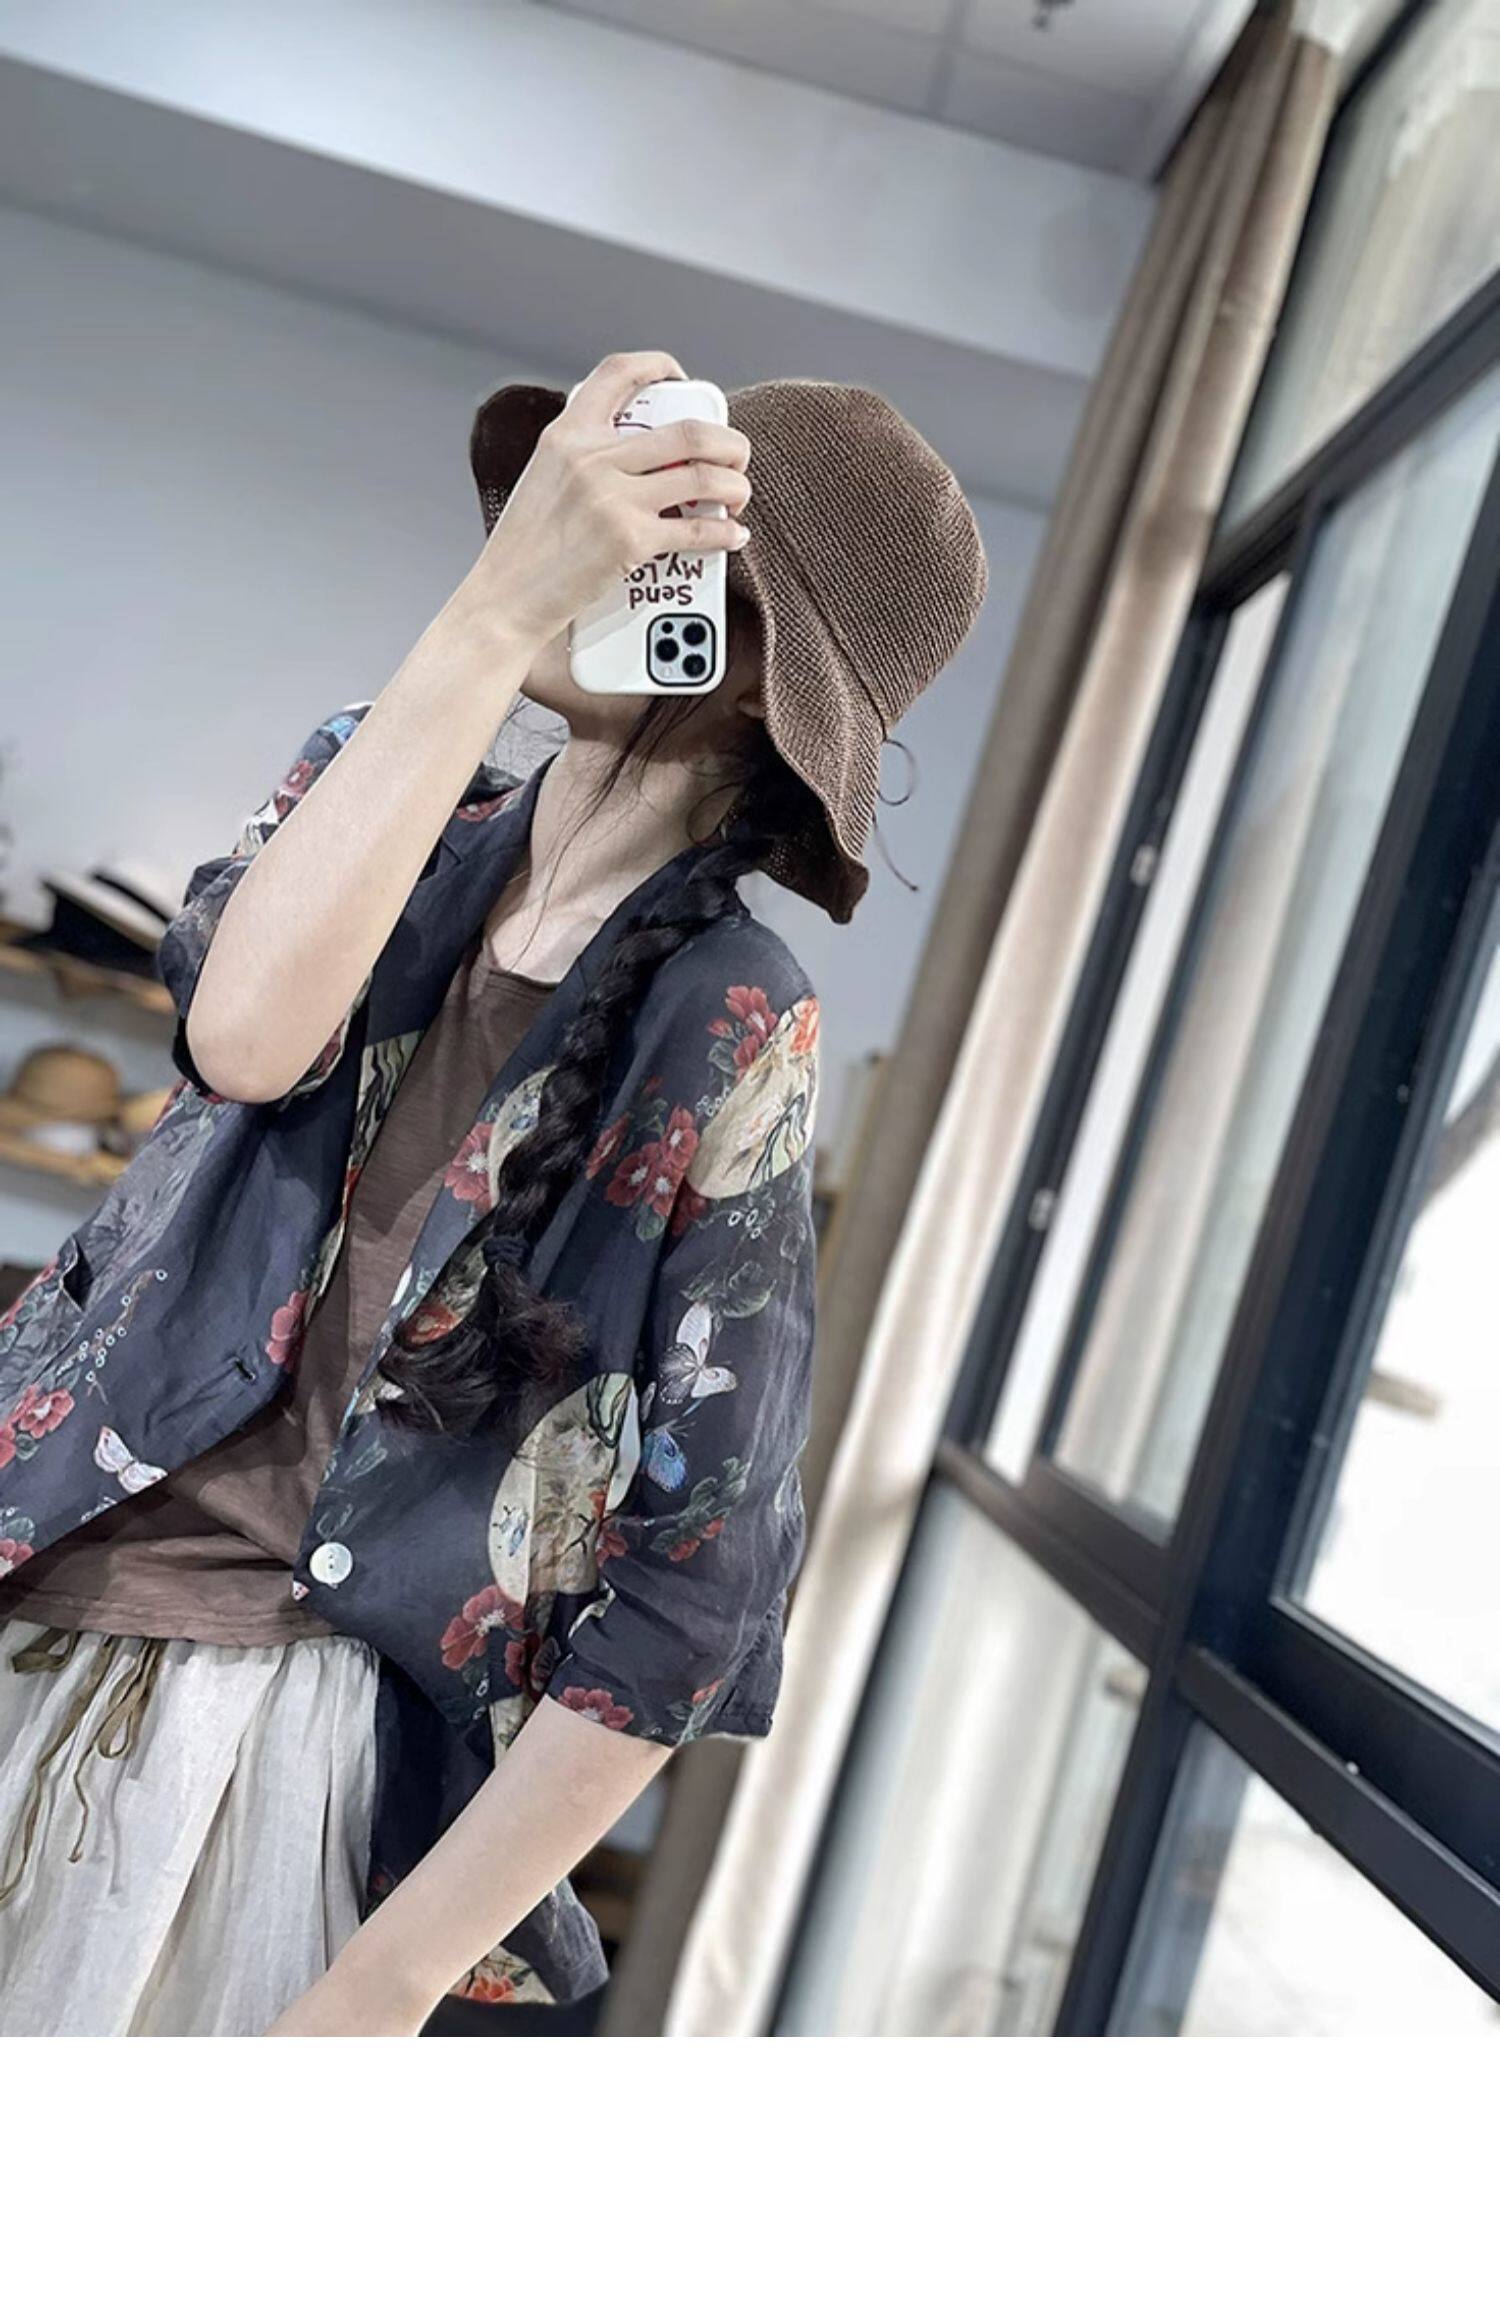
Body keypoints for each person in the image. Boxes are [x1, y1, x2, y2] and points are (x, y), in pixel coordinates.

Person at [0, 349, 988, 2035]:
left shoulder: (729, 1015)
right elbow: (245, 1034)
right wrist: (487, 619)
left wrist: (382, 1986)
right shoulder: (379, 780)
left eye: (652, 539)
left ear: (744, 659)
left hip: (264, 1755)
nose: (583, 550)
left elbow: (700, 1587)